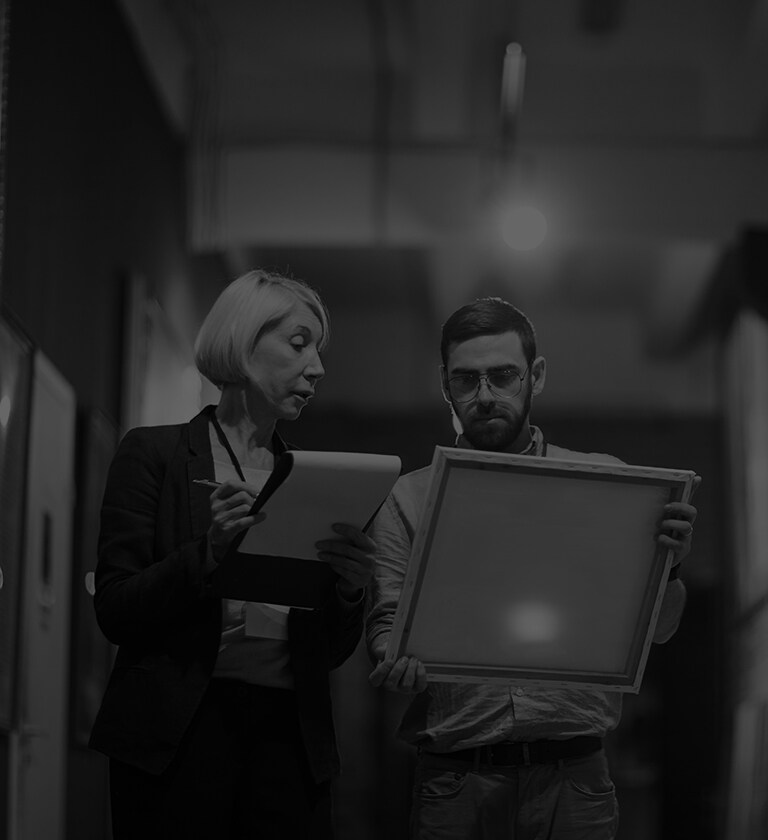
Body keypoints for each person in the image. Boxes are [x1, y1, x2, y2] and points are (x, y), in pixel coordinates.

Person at [366, 296, 699, 840]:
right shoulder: (407, 500)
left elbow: (658, 632)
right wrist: (396, 659)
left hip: (574, 776)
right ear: (445, 384)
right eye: (466, 380)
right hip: (457, 779)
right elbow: (385, 630)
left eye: (503, 376)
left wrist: (671, 567)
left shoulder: (606, 486)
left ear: (535, 376)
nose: (485, 395)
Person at [89, 270, 376, 839]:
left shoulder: (312, 482)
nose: (316, 367)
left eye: (318, 350)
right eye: (299, 344)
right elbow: (115, 609)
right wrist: (209, 553)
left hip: (289, 741)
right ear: (244, 343)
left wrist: (348, 589)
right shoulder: (154, 454)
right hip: (179, 734)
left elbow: (331, 654)